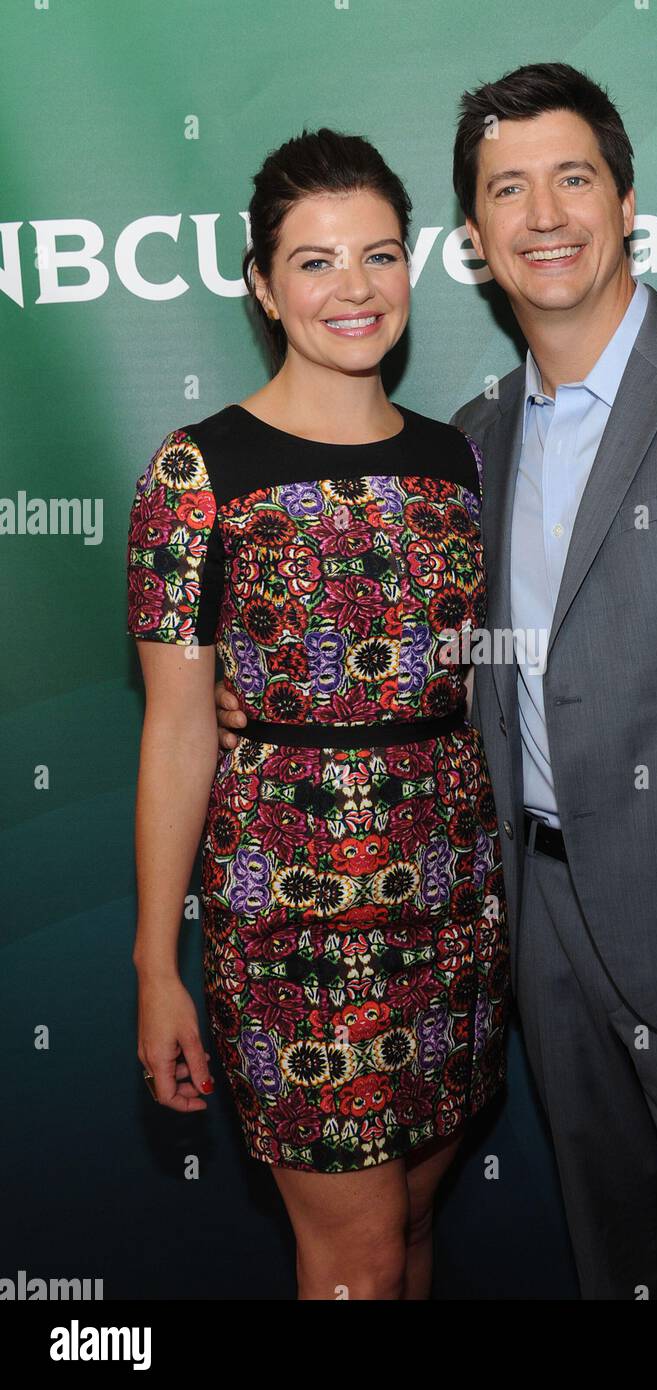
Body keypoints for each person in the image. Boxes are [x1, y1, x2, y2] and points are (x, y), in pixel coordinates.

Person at [218, 64, 657, 1300]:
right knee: (617, 1270)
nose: (542, 215)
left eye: (570, 177)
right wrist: (255, 692)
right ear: (472, 238)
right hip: (536, 939)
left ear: (626, 200)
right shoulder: (471, 438)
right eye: (504, 190)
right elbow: (431, 654)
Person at [127, 127, 509, 1301]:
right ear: (260, 285)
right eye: (314, 261)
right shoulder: (194, 475)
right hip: (287, 913)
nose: (354, 288)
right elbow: (180, 726)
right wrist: (156, 961)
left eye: (380, 254)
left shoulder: (457, 459)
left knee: (407, 1227)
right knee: (354, 1254)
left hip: (455, 899)